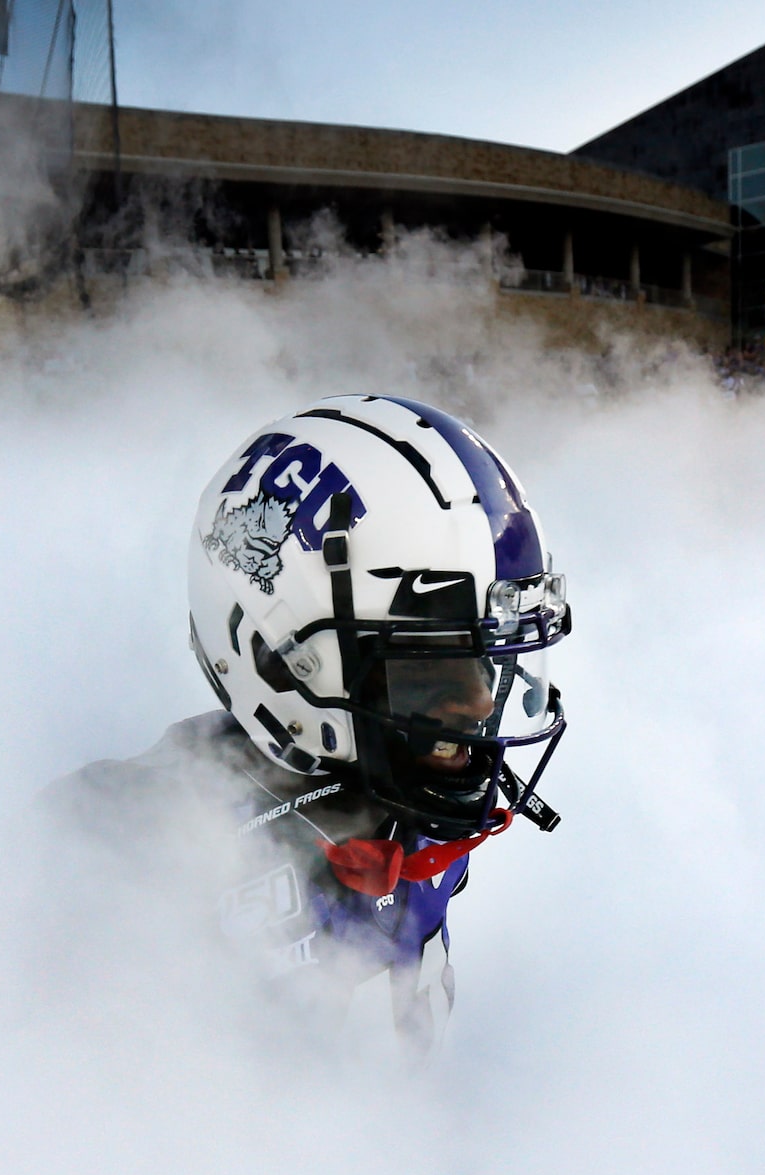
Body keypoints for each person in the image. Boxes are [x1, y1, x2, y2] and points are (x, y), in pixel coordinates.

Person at [45, 394, 570, 1051]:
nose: (481, 703)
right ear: (274, 657)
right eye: (430, 665)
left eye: (489, 657)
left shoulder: (405, 807)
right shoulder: (127, 849)